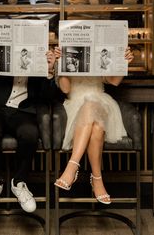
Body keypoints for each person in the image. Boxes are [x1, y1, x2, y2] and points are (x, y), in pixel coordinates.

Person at [0, 45, 64, 213]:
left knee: (30, 133)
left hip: (24, 111)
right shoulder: (4, 55)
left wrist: (49, 71)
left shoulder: (38, 59)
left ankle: (19, 182)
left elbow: (48, 96)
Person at [54, 47, 134, 205]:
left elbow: (114, 81)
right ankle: (97, 179)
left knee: (92, 105)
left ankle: (72, 166)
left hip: (101, 103)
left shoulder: (100, 52)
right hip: (74, 106)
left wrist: (123, 63)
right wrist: (60, 63)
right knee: (96, 127)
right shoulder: (65, 53)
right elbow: (65, 89)